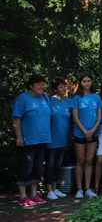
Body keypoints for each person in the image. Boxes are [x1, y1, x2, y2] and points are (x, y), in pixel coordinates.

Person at [12, 74, 52, 206]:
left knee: (37, 168)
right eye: (39, 84)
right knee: (26, 167)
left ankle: (33, 194)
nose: (42, 87)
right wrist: (19, 137)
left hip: (43, 139)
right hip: (28, 140)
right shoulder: (22, 99)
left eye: (43, 84)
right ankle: (23, 196)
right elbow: (16, 118)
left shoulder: (45, 98)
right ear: (31, 86)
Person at [70, 72, 102, 198]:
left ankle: (88, 188)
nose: (87, 83)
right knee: (80, 161)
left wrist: (92, 131)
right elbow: (75, 117)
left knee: (89, 161)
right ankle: (79, 189)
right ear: (80, 83)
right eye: (84, 81)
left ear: (92, 82)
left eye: (88, 81)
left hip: (93, 133)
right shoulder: (76, 98)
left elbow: (99, 117)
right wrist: (85, 131)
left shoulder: (97, 98)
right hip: (80, 133)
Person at [44, 77, 72, 201]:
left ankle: (55, 188)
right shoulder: (49, 101)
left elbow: (72, 121)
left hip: (63, 139)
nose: (64, 88)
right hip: (51, 139)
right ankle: (49, 190)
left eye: (64, 86)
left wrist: (70, 137)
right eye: (61, 86)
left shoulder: (69, 102)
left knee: (58, 165)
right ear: (55, 89)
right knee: (50, 165)